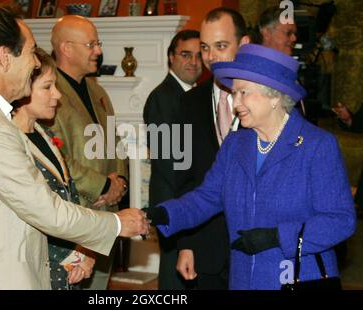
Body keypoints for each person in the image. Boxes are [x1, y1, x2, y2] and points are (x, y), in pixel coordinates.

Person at [0, 5, 148, 290]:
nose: (36, 63)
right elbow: (46, 211)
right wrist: (115, 223)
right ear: (5, 57)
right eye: (31, 51)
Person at [147, 44, 356, 289]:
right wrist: (163, 213)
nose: (236, 103)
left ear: (275, 96)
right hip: (244, 280)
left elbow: (341, 220)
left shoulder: (316, 146)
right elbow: (206, 197)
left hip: (298, 279)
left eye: (243, 92)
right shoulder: (235, 144)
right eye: (234, 93)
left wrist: (277, 237)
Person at [50, 15, 129, 290]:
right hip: (74, 218)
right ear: (67, 48)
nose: (98, 51)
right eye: (91, 44)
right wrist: (101, 186)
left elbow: (115, 141)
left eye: (98, 44)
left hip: (106, 216)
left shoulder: (98, 90)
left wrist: (119, 182)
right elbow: (53, 156)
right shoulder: (48, 92)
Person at [174, 7, 249, 290]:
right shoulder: (187, 104)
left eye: (221, 46)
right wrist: (186, 243)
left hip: (257, 249)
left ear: (244, 45)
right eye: (205, 48)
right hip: (205, 250)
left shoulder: (269, 100)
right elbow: (183, 178)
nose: (210, 57)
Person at [11, 48, 96, 290]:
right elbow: (29, 213)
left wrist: (85, 249)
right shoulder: (8, 142)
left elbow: (70, 196)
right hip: (33, 270)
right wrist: (70, 257)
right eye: (47, 87)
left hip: (69, 269)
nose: (57, 95)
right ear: (23, 89)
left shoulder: (45, 134)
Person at [143, 29, 202, 289]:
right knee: (174, 278)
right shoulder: (163, 97)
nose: (193, 61)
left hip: (191, 201)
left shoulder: (197, 95)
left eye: (199, 55)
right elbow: (169, 162)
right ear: (171, 58)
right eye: (185, 54)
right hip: (174, 202)